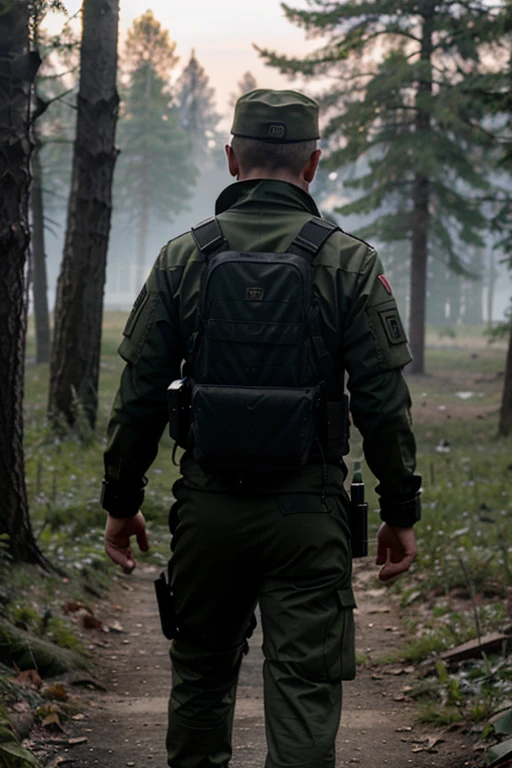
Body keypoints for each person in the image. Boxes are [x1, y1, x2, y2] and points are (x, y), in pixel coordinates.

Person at [102, 89, 421, 768]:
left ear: (230, 159)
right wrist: (401, 511)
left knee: (200, 683)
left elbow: (137, 401)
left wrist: (121, 503)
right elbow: (384, 406)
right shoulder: (351, 263)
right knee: (304, 692)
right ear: (311, 165)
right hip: (308, 518)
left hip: (208, 512)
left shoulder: (181, 258)